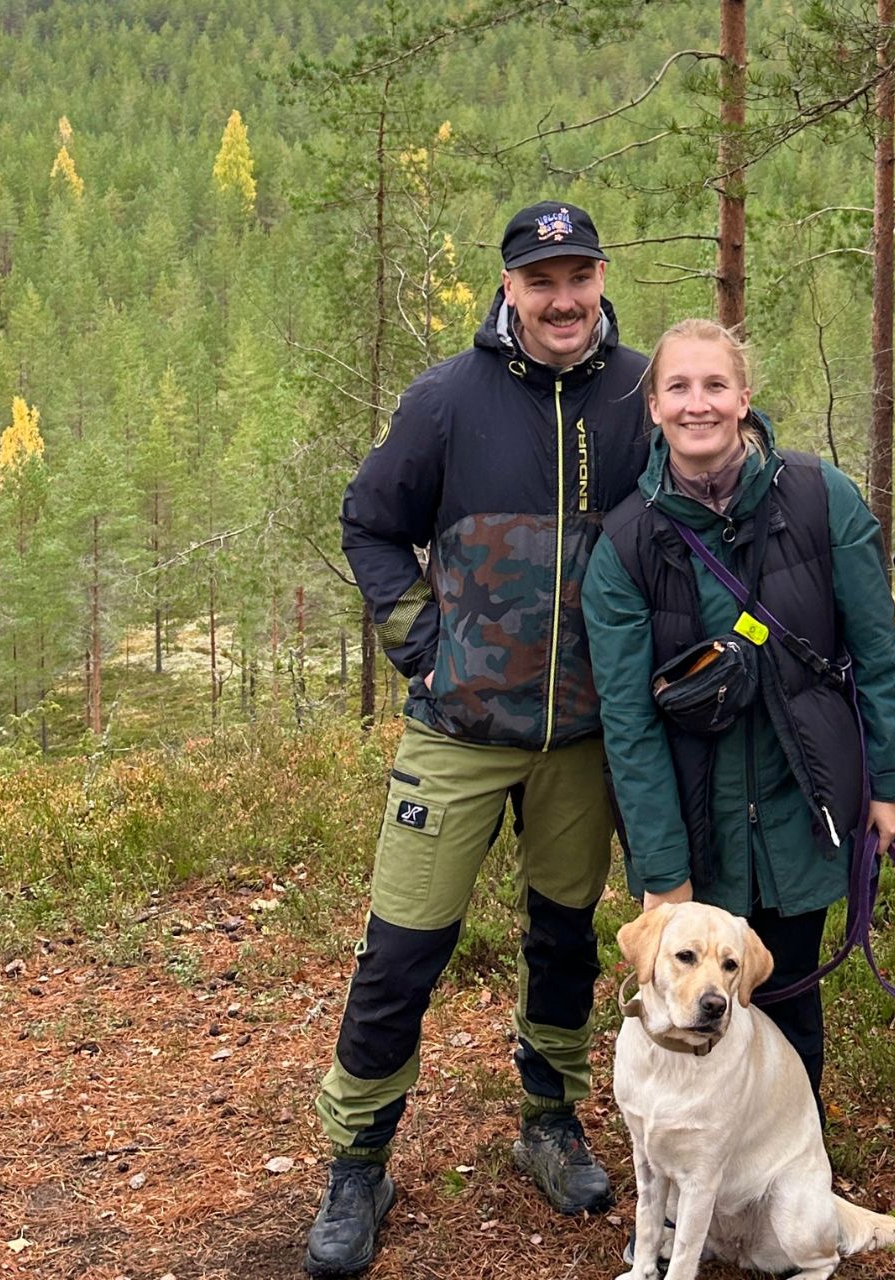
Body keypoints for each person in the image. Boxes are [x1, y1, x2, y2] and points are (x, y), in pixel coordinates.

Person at [304, 201, 650, 1278]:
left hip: (583, 737)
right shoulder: (446, 400)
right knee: (402, 947)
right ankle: (359, 1158)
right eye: (540, 280)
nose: (562, 299)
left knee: (565, 938)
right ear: (509, 287)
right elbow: (369, 522)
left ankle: (549, 1118)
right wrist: (425, 645)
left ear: (601, 279)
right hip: (457, 731)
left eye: (578, 276)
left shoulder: (643, 394)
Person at [584, 318, 895, 1105]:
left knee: (790, 1000)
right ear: (655, 408)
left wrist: (889, 783)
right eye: (678, 387)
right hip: (695, 816)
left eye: (714, 385)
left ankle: (792, 1150)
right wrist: (663, 870)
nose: (697, 403)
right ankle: (699, 1161)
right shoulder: (625, 545)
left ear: (744, 397)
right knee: (690, 1021)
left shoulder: (821, 499)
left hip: (805, 804)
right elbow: (628, 724)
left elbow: (876, 653)